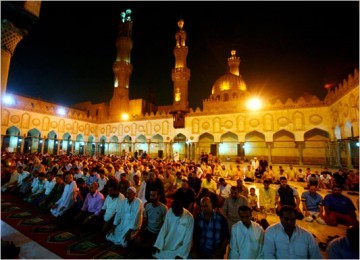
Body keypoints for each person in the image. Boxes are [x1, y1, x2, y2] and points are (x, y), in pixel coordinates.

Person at [139, 188, 168, 258]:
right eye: (150, 195)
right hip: (148, 231)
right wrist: (139, 233)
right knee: (136, 242)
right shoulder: (148, 206)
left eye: (153, 195)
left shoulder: (164, 208)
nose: (151, 197)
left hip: (157, 234)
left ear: (158, 197)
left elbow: (165, 225)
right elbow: (145, 221)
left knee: (149, 249)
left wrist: (160, 237)